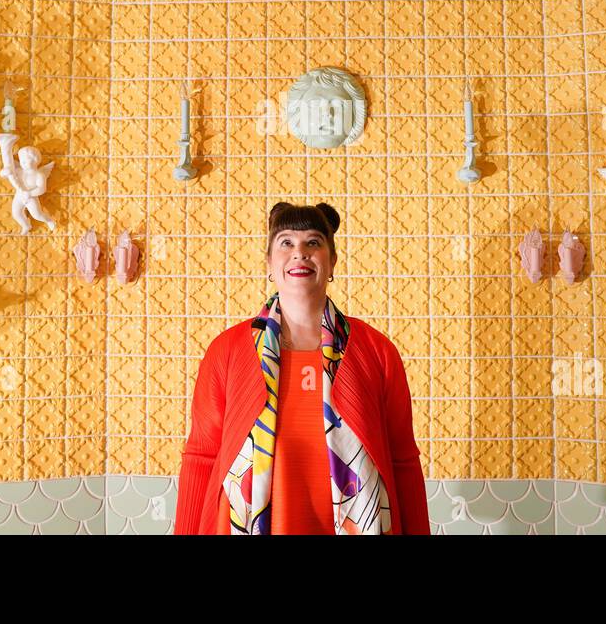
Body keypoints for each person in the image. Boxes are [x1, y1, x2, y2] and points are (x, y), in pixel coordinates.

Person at [174, 202, 430, 535]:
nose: (300, 253)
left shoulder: (377, 352)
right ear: (269, 262)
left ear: (332, 261)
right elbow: (201, 458)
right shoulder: (227, 351)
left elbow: (403, 463)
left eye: (313, 242)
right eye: (286, 242)